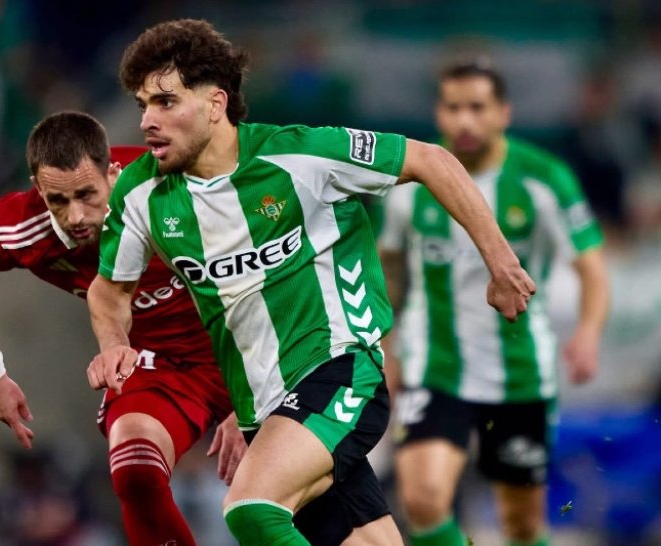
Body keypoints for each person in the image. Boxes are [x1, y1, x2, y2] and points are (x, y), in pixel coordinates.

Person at [86, 19, 536, 546]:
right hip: (262, 409)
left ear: (215, 103)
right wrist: (114, 344)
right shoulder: (139, 192)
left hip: (340, 371)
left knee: (252, 509)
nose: (147, 121)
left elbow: (431, 160)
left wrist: (501, 263)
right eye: (143, 104)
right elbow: (109, 289)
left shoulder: (299, 156)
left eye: (165, 102)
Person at [0, 111, 245, 546]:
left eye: (86, 195)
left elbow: (270, 274)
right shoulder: (20, 228)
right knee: (134, 466)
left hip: (245, 348)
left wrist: (249, 400)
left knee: (294, 500)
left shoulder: (176, 188)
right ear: (38, 188)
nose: (75, 216)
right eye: (58, 200)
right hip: (159, 364)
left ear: (112, 172)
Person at [380, 59, 610, 546]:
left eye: (477, 107)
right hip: (434, 365)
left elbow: (592, 268)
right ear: (438, 113)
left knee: (521, 525)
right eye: (453, 108)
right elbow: (390, 268)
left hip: (520, 371)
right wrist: (387, 345)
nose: (464, 120)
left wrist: (588, 333)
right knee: (422, 500)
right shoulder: (411, 182)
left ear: (503, 112)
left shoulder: (544, 179)